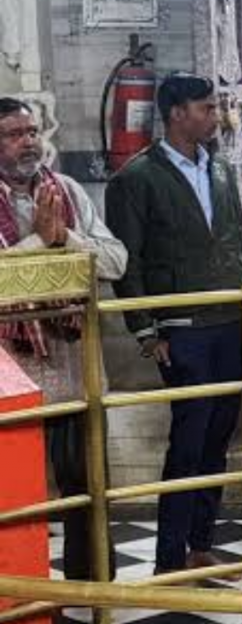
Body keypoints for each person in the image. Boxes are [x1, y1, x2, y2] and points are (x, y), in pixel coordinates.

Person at [105, 73, 242, 575]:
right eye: (205, 108)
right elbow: (130, 260)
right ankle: (169, 556)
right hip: (181, 326)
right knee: (190, 435)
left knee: (220, 435)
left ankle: (201, 543)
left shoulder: (223, 171)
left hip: (229, 321)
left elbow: (237, 242)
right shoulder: (136, 179)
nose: (215, 116)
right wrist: (146, 330)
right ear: (176, 113)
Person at [0, 97, 127, 579]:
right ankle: (26, 599)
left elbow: (117, 262)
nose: (29, 141)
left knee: (88, 486)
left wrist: (65, 238)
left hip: (77, 371)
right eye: (14, 134)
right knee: (18, 494)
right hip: (14, 376)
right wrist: (38, 240)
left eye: (32, 131)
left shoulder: (66, 191)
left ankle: (94, 591)